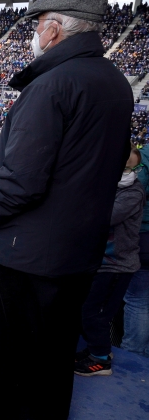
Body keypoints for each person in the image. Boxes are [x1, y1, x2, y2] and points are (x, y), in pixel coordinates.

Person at [0, 0, 134, 420]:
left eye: (36, 26)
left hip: (29, 250)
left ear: (52, 30)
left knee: (10, 345)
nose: (33, 35)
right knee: (57, 340)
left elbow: (21, 182)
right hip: (81, 245)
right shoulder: (114, 81)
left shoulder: (50, 85)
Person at [76, 147, 145, 376]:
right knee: (91, 311)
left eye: (132, 168)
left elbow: (106, 217)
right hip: (102, 262)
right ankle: (98, 349)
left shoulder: (133, 192)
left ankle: (101, 359)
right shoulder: (109, 186)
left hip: (116, 265)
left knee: (95, 313)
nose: (129, 172)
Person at [122, 143, 149, 358]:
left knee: (138, 300)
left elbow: (133, 189)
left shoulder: (145, 157)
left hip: (143, 236)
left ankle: (134, 355)